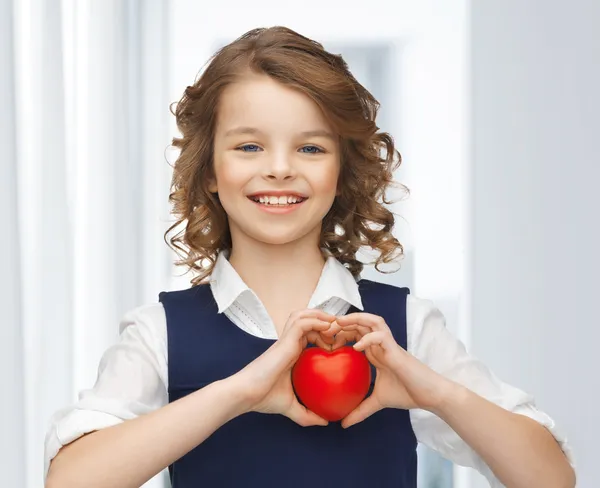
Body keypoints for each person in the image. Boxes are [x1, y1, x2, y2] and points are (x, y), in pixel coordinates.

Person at [44, 26, 575, 488]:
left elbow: (551, 478)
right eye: (249, 146)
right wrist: (239, 392)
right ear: (208, 170)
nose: (279, 168)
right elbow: (69, 481)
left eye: (311, 148)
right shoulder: (158, 334)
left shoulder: (404, 328)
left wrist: (435, 393)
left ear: (341, 172)